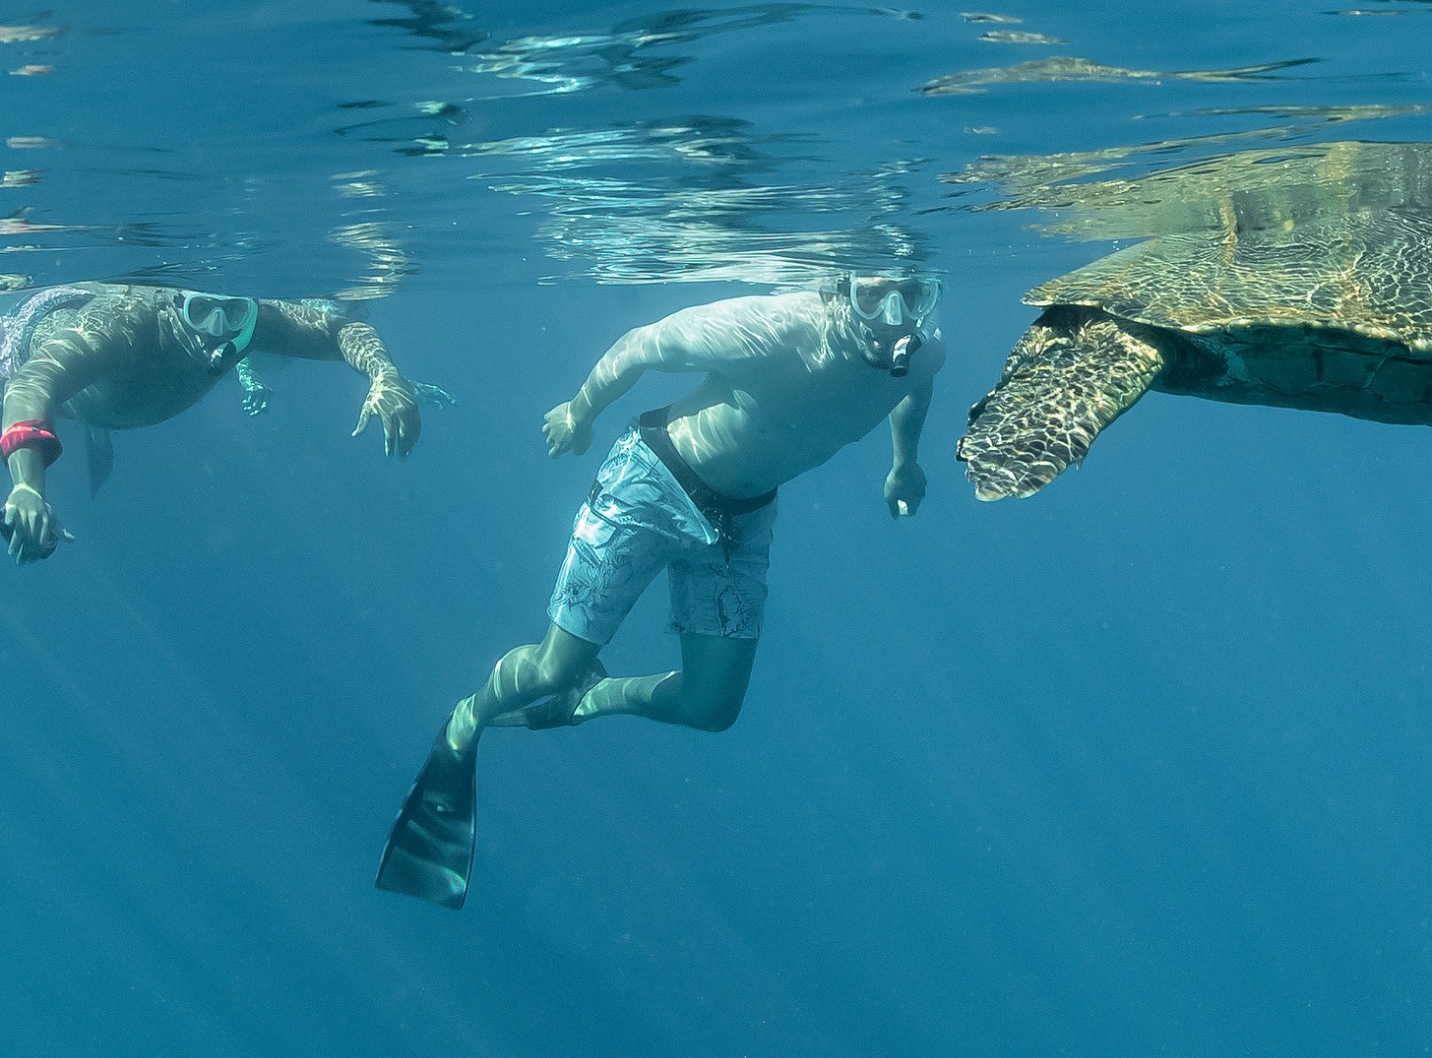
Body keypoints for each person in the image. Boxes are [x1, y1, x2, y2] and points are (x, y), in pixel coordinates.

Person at [377, 272, 944, 909]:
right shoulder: (770, 330)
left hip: (742, 521)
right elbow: (642, 344)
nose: (893, 317)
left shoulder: (923, 350)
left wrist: (905, 460)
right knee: (549, 668)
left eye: (912, 298)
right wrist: (579, 412)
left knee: (711, 707)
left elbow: (914, 383)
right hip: (652, 480)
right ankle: (468, 719)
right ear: (837, 290)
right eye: (872, 296)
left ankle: (591, 699)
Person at [0, 283, 422, 562]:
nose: (217, 330)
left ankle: (97, 426)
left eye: (233, 312)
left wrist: (385, 376)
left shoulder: (253, 323)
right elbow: (30, 384)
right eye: (200, 310)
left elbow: (342, 330)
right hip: (22, 344)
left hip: (104, 401)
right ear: (174, 304)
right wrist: (27, 485)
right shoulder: (127, 323)